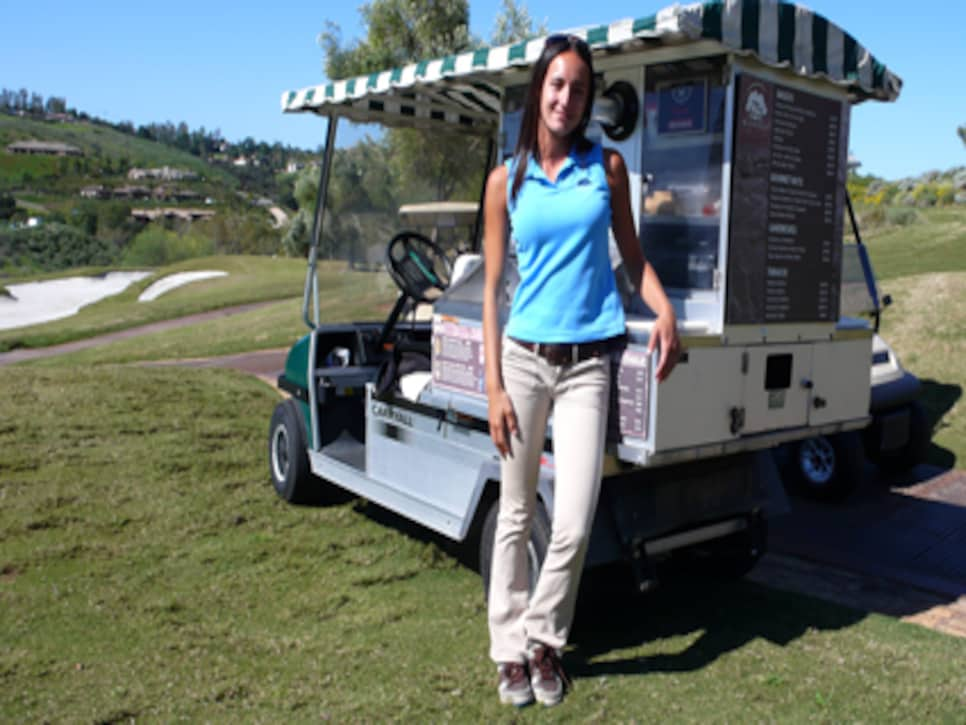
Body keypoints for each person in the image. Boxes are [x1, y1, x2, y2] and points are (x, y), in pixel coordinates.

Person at [481, 34, 681, 707]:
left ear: (590, 98)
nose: (566, 98)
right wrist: (494, 385)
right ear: (539, 88)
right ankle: (508, 652)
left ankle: (543, 640)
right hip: (523, 362)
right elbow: (489, 292)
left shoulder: (609, 168)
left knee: (572, 519)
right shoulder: (505, 181)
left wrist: (665, 312)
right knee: (515, 513)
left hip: (587, 366)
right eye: (556, 84)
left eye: (580, 88)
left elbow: (632, 256)